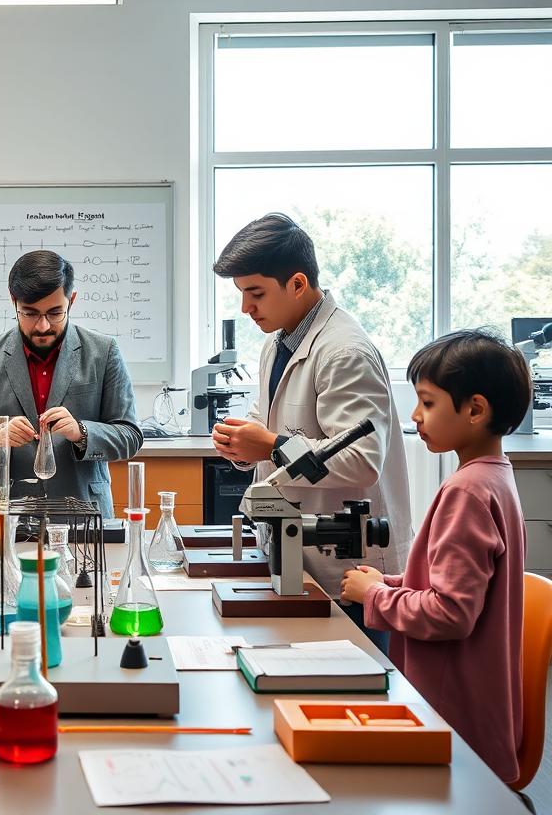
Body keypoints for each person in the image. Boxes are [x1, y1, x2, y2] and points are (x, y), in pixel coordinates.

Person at [211, 213, 411, 650]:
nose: (246, 308)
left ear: (298, 284)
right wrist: (242, 446)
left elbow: (362, 461)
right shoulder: (278, 342)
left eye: (255, 293)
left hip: (344, 568)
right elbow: (269, 427)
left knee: (350, 698)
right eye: (241, 293)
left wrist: (268, 444)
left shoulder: (345, 351)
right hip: (293, 554)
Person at [341, 330, 529, 783]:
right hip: (476, 712)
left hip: (452, 725)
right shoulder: (495, 478)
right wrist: (390, 583)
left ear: (475, 410)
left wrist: (374, 598)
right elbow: (459, 584)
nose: (415, 415)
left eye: (427, 402)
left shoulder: (466, 491)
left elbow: (450, 614)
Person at [0, 250, 142, 518]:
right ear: (13, 301)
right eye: (29, 313)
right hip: (9, 520)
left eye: (55, 313)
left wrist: (81, 432)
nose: (42, 326)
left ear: (71, 301)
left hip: (84, 518)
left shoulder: (103, 352)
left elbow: (130, 436)